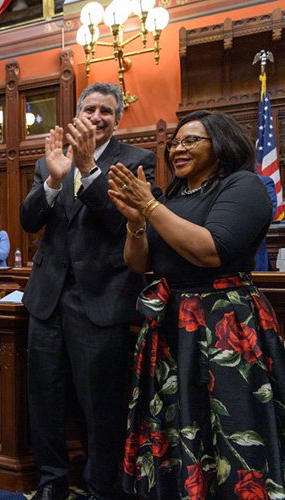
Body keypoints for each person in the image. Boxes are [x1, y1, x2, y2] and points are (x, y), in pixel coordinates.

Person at [109, 110, 285, 499]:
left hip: (223, 324)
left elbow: (210, 250)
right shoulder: (173, 197)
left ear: (220, 145)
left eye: (192, 140)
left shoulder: (246, 186)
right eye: (175, 143)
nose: (178, 149)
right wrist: (136, 224)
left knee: (230, 425)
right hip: (173, 327)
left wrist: (152, 208)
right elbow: (140, 263)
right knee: (177, 427)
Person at [19, 82, 158, 500]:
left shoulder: (137, 161)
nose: (98, 117)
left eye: (106, 111)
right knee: (44, 400)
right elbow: (29, 221)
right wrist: (54, 183)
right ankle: (50, 482)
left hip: (102, 300)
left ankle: (100, 485)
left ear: (117, 119)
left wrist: (89, 171)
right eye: (91, 109)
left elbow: (127, 225)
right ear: (79, 114)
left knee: (101, 407)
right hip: (47, 300)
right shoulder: (51, 161)